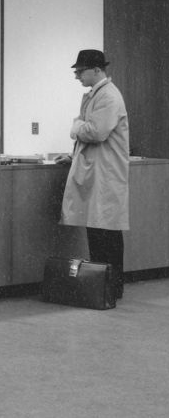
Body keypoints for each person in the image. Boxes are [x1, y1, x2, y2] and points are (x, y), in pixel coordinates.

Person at [60, 48, 129, 299]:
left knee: (106, 232)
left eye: (80, 71)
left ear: (97, 70)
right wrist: (72, 153)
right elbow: (86, 129)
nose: (77, 75)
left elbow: (96, 132)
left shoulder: (109, 97)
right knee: (98, 230)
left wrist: (75, 127)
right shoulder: (93, 96)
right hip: (97, 171)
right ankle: (103, 285)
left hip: (106, 173)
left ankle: (111, 286)